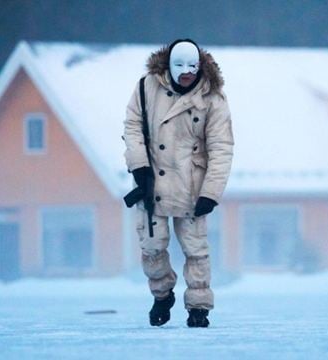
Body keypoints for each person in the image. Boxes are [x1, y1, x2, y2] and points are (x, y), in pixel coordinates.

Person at [123, 39, 234, 327]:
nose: (186, 72)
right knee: (152, 245)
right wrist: (139, 167)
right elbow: (132, 127)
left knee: (196, 249)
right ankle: (162, 295)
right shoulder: (146, 88)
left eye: (192, 67)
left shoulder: (213, 98)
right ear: (169, 66)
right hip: (152, 183)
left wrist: (211, 192)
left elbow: (222, 148)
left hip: (192, 185)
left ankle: (199, 308)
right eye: (180, 66)